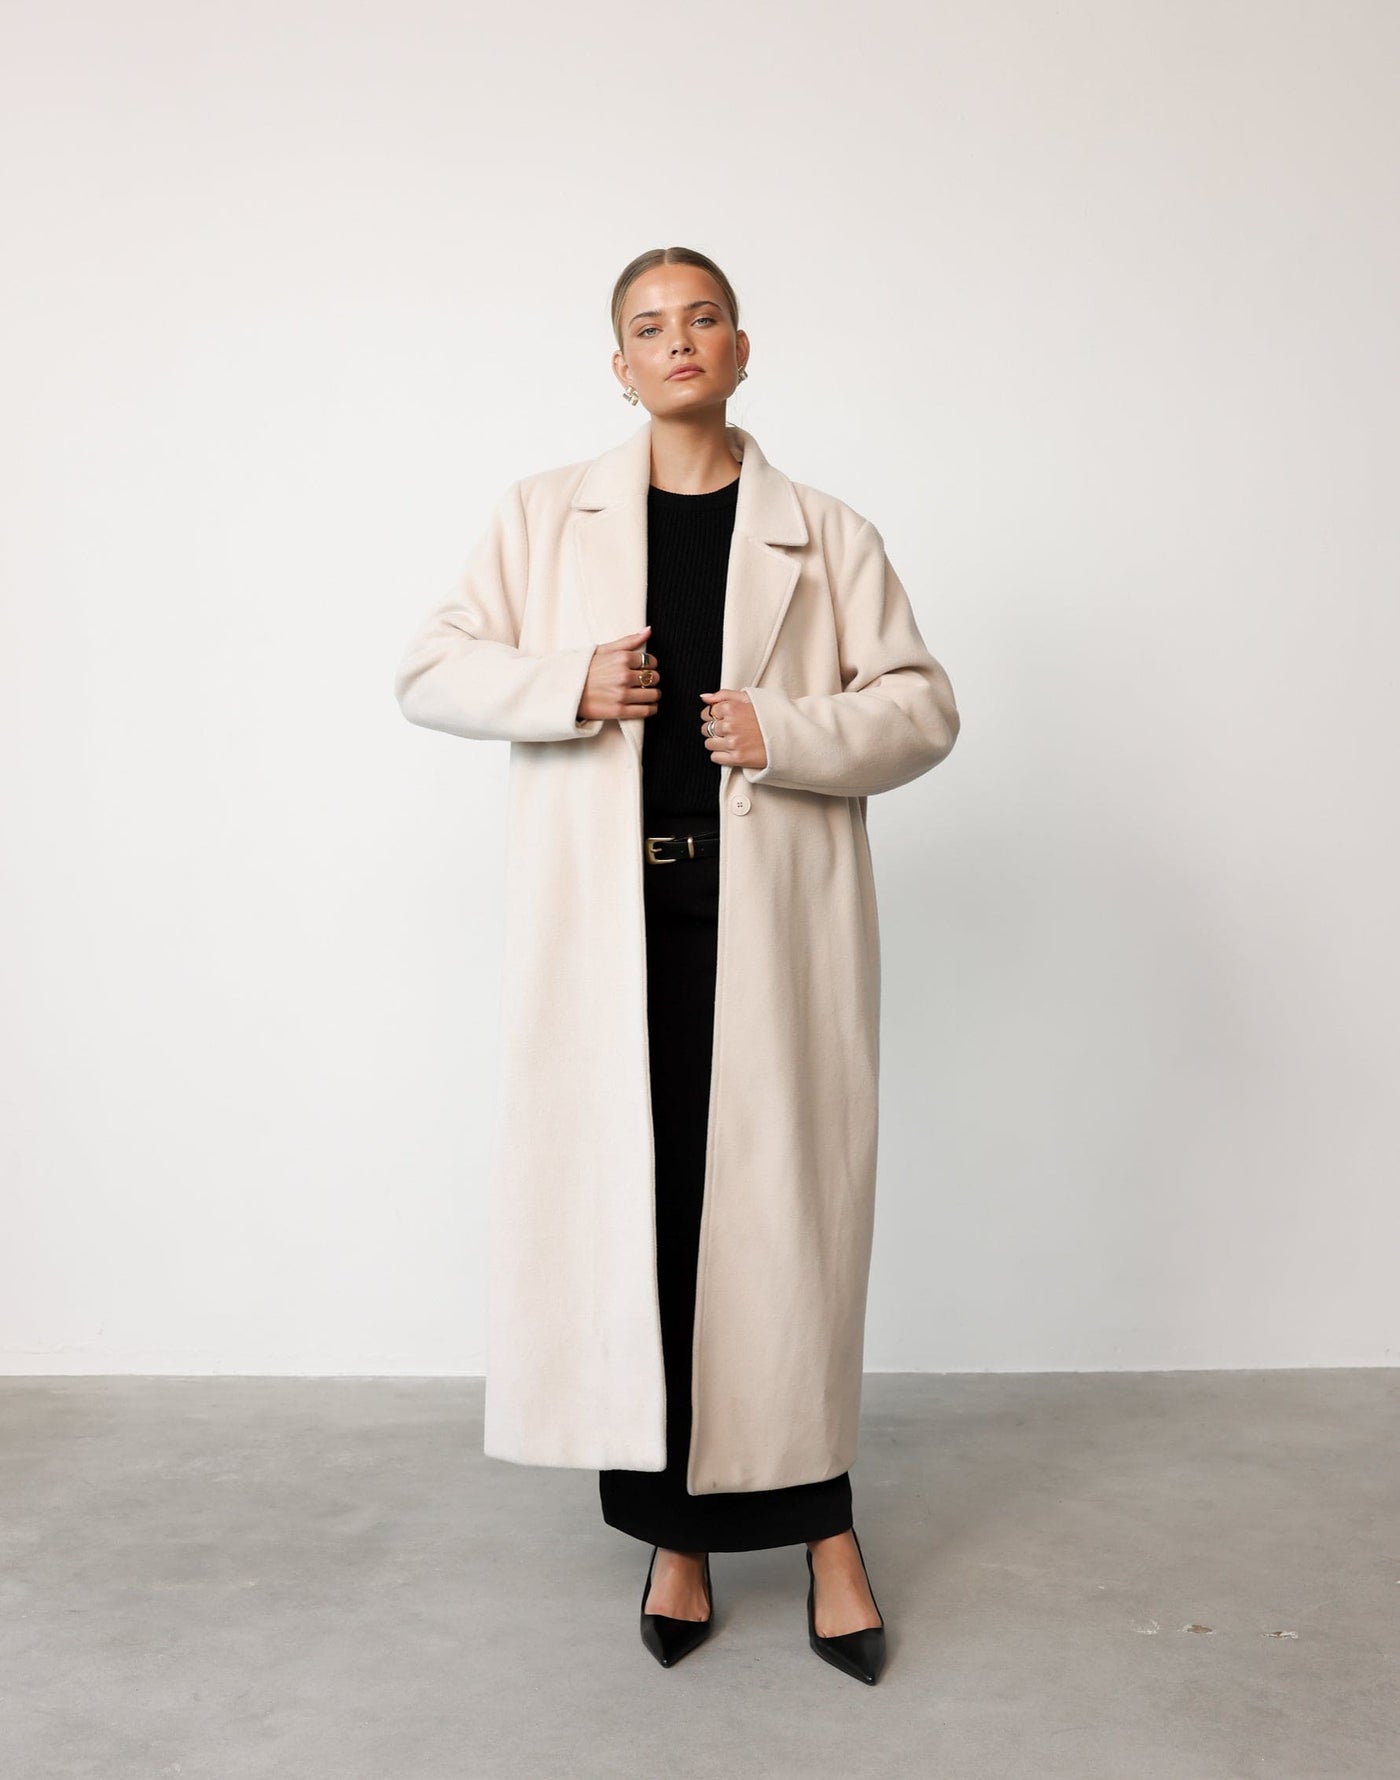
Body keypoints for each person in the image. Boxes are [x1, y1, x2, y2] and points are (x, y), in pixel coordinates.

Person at [394, 246, 960, 1685]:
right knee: (648, 1229)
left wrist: (790, 729)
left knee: (782, 1238)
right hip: (615, 932)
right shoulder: (544, 517)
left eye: (703, 317)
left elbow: (922, 707)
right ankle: (676, 1541)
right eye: (650, 326)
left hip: (773, 928)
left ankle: (826, 1531)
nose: (679, 340)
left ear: (743, 348)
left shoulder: (826, 532)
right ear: (620, 366)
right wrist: (566, 683)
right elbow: (429, 669)